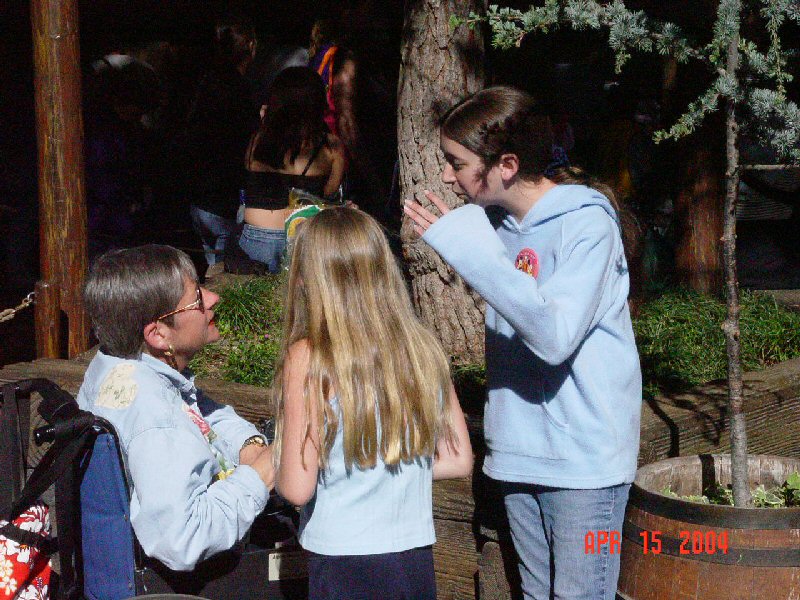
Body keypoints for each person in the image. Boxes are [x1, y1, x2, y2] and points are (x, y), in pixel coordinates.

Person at [404, 86, 642, 600]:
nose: (447, 176)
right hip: (517, 456)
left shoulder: (587, 224)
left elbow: (554, 336)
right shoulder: (497, 228)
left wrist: (473, 256)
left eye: (456, 162)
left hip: (585, 466)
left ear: (506, 164)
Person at [272, 207, 473, 599]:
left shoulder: (309, 358)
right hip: (413, 558)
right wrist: (384, 471)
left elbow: (297, 488)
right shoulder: (423, 349)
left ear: (308, 278)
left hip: (345, 559)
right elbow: (458, 458)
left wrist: (271, 461)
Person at [77, 244, 275, 571]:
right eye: (197, 297)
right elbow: (182, 539)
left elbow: (204, 412)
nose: (212, 299)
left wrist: (250, 445)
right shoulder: (155, 413)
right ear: (159, 334)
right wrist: (260, 475)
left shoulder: (117, 366)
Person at [238, 66, 346, 272]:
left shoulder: (257, 140)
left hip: (255, 238)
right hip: (302, 238)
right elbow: (330, 191)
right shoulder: (330, 146)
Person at [184, 14, 259, 268]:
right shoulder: (238, 90)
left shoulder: (206, 85)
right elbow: (247, 143)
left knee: (214, 265)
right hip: (224, 199)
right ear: (250, 47)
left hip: (201, 196)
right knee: (227, 272)